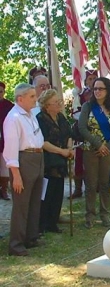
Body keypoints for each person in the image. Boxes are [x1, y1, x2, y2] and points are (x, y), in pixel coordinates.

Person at [3, 83, 44, 256]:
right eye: (32, 97)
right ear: (20, 99)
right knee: (21, 204)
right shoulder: (13, 118)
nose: (36, 99)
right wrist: (16, 174)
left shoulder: (30, 114)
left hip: (37, 157)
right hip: (24, 159)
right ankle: (16, 243)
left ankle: (30, 237)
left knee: (35, 200)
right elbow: (11, 149)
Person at [78, 77, 110, 229]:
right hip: (90, 150)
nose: (97, 91)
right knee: (90, 184)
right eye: (95, 89)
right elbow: (82, 128)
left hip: (107, 151)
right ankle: (90, 215)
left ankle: (105, 214)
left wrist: (107, 147)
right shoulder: (87, 107)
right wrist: (98, 145)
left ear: (107, 90)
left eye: (100, 88)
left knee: (104, 183)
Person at [36, 89, 74, 234]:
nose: (59, 104)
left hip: (62, 159)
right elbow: (43, 142)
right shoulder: (40, 119)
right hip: (48, 160)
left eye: (59, 101)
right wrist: (61, 151)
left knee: (58, 191)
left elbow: (69, 134)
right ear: (47, 105)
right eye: (56, 102)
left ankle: (53, 221)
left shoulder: (61, 117)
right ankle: (42, 223)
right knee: (47, 192)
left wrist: (69, 148)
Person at [70, 69, 98, 199]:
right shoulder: (80, 94)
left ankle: (93, 186)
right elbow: (75, 113)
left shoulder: (101, 92)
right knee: (80, 160)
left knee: (95, 159)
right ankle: (78, 189)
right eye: (90, 79)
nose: (92, 81)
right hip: (82, 131)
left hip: (97, 131)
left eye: (94, 78)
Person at [0, 82, 14, 200]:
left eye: (1, 91)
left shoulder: (9, 105)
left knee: (4, 167)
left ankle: (4, 190)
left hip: (5, 140)